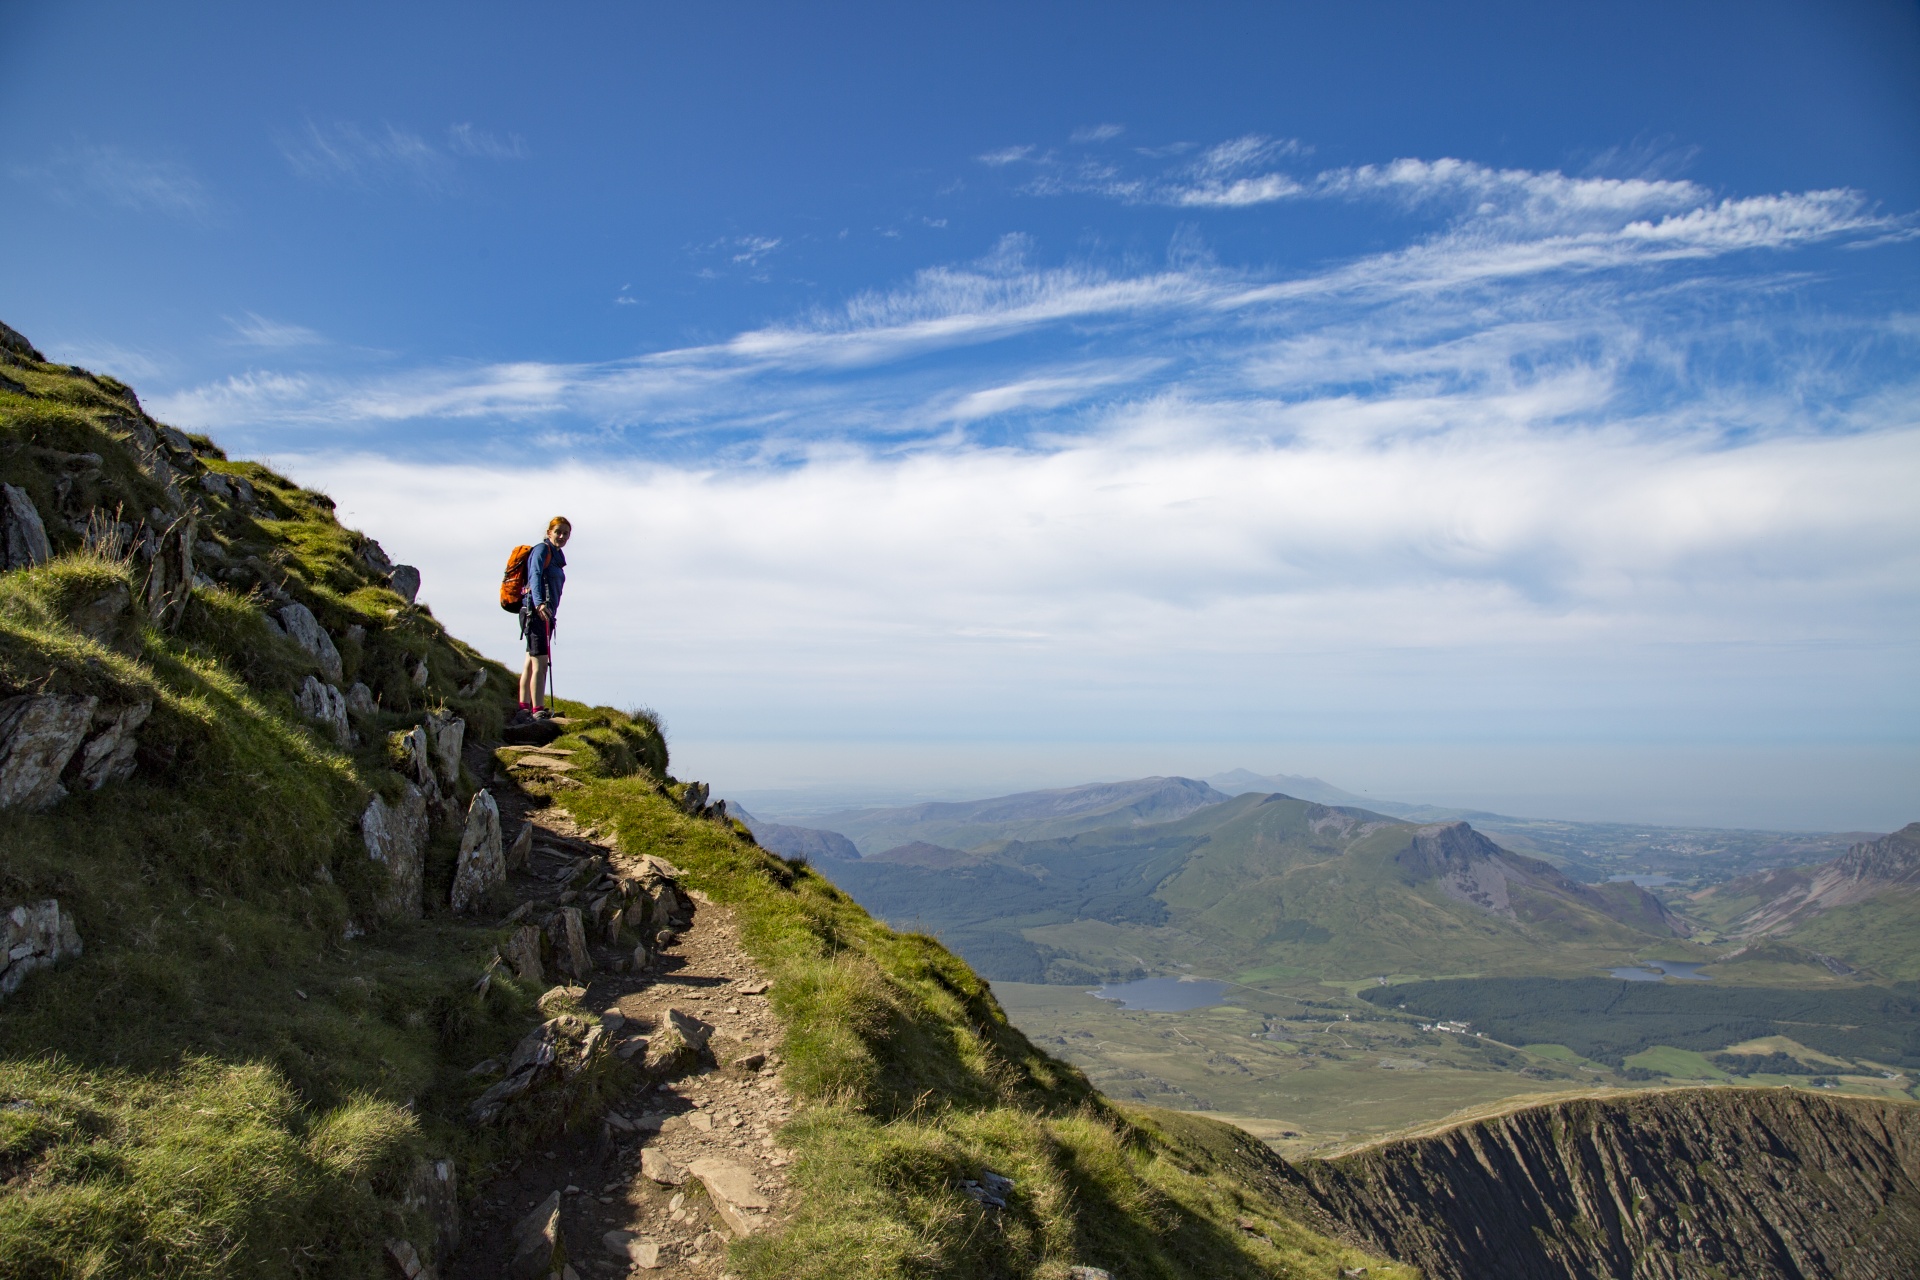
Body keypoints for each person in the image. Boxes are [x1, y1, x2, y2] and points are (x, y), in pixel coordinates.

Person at [516, 516, 570, 722]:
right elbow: (535, 575)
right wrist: (539, 604)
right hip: (535, 612)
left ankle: (524, 706)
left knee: (531, 660)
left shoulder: (556, 556)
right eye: (558, 532)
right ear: (549, 533)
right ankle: (537, 708)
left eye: (565, 533)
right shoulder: (542, 550)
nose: (562, 536)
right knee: (541, 661)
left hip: (543, 613)